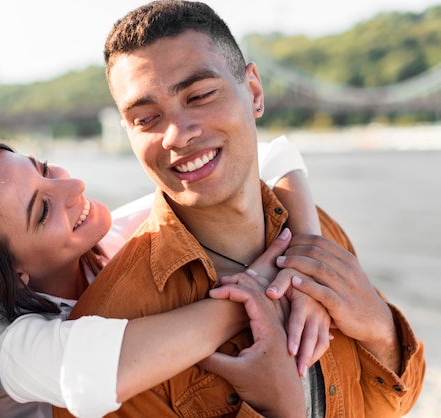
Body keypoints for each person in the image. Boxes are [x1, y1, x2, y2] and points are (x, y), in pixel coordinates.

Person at [55, 1, 426, 417]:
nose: (177, 135)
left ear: (253, 92)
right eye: (146, 118)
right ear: (128, 132)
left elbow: (389, 404)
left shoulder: (319, 231)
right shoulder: (114, 331)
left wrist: (380, 329)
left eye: (200, 95)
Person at [0, 135, 323, 418]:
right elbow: (97, 371)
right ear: (11, 276)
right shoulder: (2, 346)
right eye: (43, 209)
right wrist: (256, 292)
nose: (72, 188)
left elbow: (269, 155)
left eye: (44, 168)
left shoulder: (111, 238)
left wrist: (306, 265)